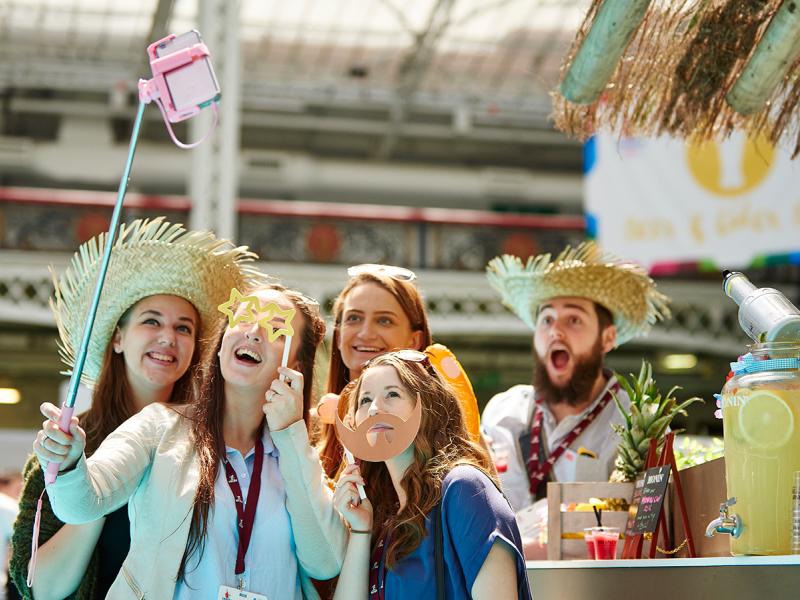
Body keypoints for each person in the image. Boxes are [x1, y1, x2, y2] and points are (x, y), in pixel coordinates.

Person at [35, 283, 346, 599]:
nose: (254, 333)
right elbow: (82, 503)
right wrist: (70, 460)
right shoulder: (159, 425)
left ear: (295, 366)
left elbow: (326, 562)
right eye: (243, 319)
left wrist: (290, 436)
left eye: (276, 330)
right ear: (223, 343)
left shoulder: (297, 456)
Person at [9, 217, 262, 600]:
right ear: (118, 338)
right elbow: (40, 589)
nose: (168, 337)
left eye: (184, 328)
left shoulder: (214, 446)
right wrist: (99, 482)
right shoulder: (66, 450)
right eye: (151, 321)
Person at [480, 242, 670, 551]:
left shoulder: (639, 421)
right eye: (547, 320)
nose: (556, 331)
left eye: (574, 319)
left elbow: (655, 534)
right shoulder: (502, 413)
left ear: (607, 338)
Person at [332, 351, 531, 600]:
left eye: (392, 394)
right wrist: (361, 531)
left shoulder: (465, 488)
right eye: (364, 400)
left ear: (428, 405)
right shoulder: (383, 515)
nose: (374, 409)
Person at [317, 264, 432, 478]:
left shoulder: (443, 437)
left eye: (384, 321)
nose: (366, 333)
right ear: (339, 335)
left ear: (414, 341)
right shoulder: (309, 435)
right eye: (354, 318)